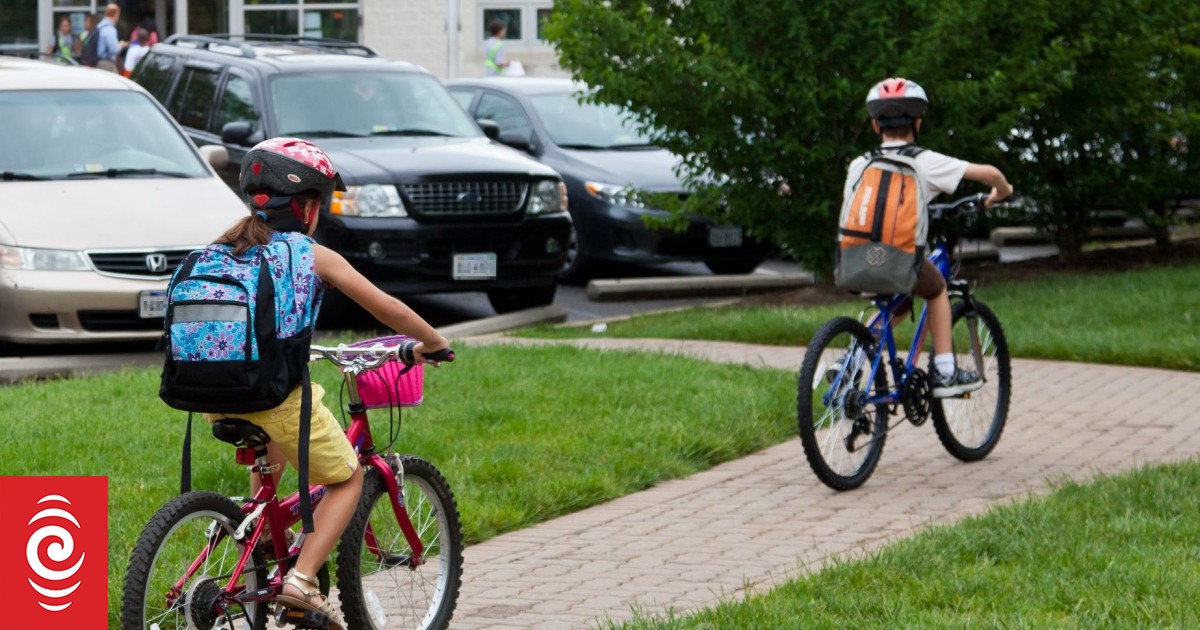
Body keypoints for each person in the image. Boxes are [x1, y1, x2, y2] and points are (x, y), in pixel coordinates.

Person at [204, 138, 450, 630]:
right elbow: (386, 307)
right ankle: (301, 582)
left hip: (214, 392)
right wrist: (433, 341)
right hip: (274, 397)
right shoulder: (310, 253)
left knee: (272, 448)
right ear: (307, 207)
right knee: (348, 478)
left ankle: (263, 537)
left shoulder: (223, 248)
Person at [845, 77, 1012, 397]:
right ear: (918, 122)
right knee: (936, 289)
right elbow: (990, 174)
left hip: (853, 259)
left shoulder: (859, 164)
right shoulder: (924, 161)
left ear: (875, 125)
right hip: (897, 259)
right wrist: (1001, 192)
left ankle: (851, 358)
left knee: (899, 307)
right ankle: (945, 371)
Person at [94, 3, 122, 72]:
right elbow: (114, 49)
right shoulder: (109, 29)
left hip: (98, 62)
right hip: (106, 64)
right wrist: (121, 45)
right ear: (116, 14)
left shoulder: (100, 26)